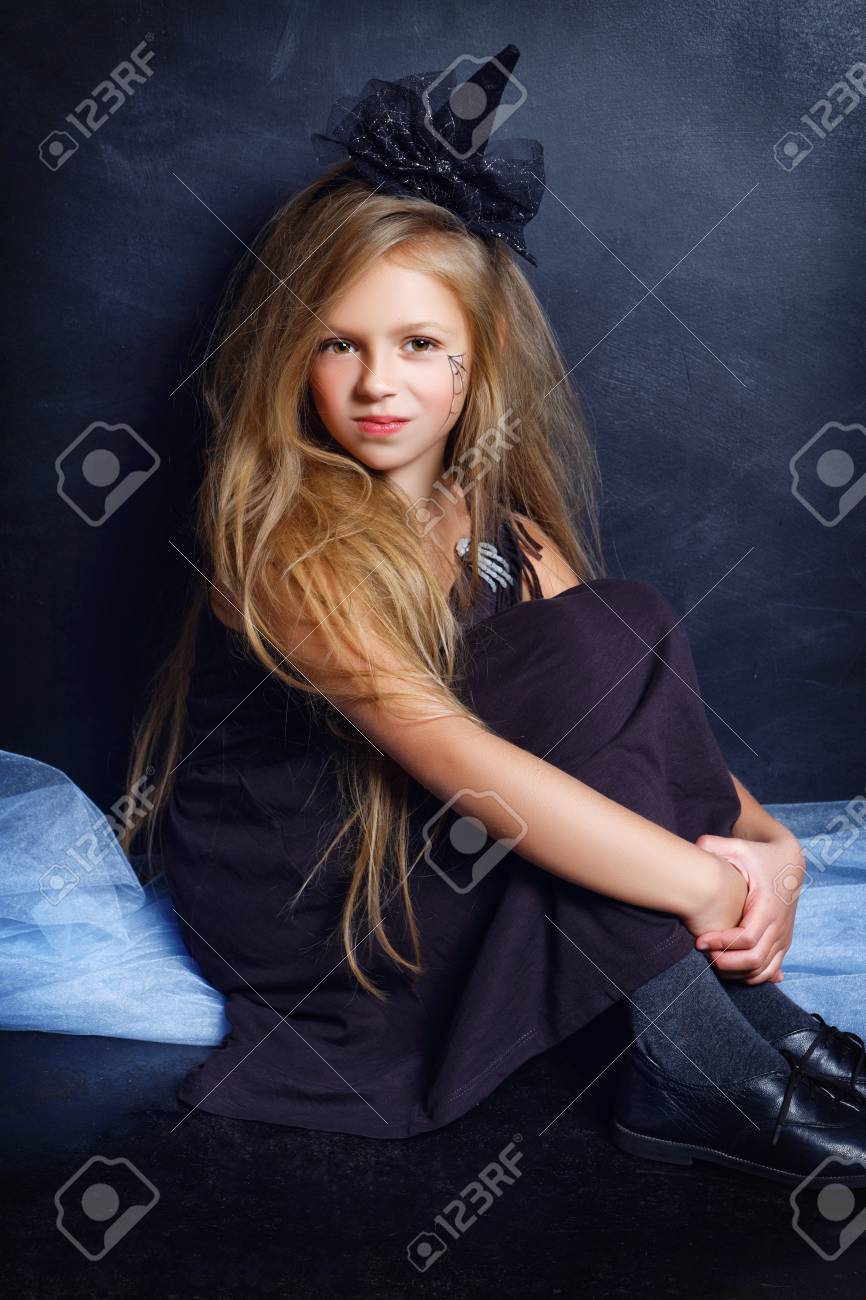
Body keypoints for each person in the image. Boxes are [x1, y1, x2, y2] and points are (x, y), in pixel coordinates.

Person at [117, 45, 866, 1186]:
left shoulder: (501, 530)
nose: (378, 383)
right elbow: (459, 762)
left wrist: (770, 847)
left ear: (473, 368)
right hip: (306, 882)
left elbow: (637, 716)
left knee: (611, 624)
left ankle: (750, 1036)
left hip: (439, 839)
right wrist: (703, 884)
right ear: (294, 356)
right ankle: (701, 1066)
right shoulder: (285, 544)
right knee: (584, 670)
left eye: (418, 345)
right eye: (338, 343)